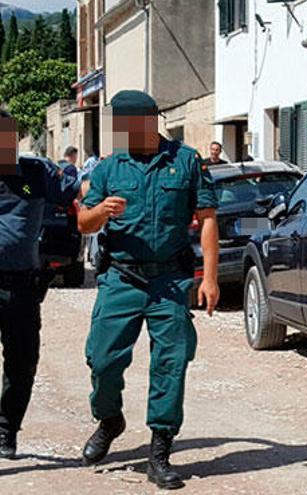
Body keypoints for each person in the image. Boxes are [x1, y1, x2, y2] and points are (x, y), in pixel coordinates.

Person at [77, 90, 219, 489]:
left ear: (151, 120)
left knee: (171, 364)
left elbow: (207, 218)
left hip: (169, 281)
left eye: (129, 126)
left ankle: (159, 451)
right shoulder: (110, 168)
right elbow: (83, 223)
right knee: (103, 360)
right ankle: (109, 419)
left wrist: (208, 278)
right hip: (121, 277)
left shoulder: (186, 161)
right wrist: (100, 211)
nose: (124, 134)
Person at [0, 110, 80, 458]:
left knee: (23, 361)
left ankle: (5, 431)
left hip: (20, 285)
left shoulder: (34, 174)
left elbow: (79, 191)